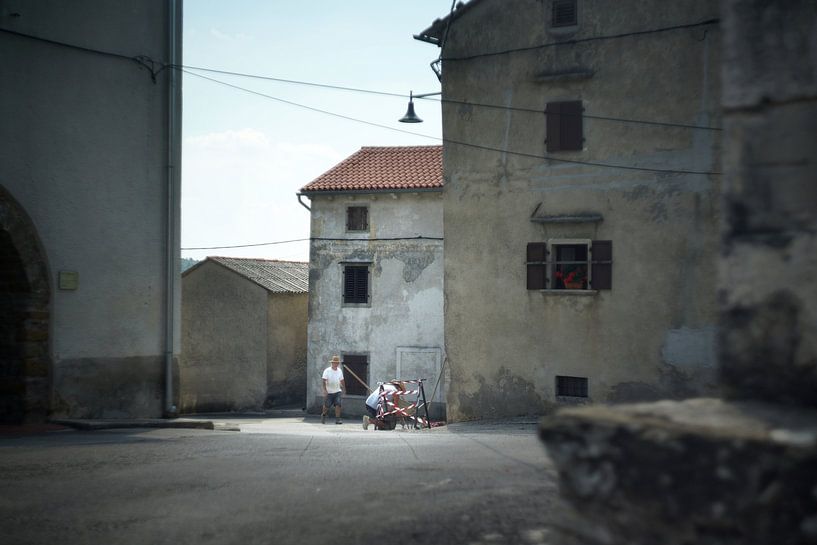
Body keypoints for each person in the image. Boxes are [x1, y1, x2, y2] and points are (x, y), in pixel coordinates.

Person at [321, 355, 346, 424]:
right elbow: (324, 380)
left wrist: (344, 389)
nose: (336, 364)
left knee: (338, 404)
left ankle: (337, 419)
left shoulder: (339, 371)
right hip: (329, 392)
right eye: (335, 362)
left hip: (337, 391)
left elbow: (342, 380)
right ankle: (323, 415)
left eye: (337, 363)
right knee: (327, 405)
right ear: (332, 363)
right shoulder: (327, 371)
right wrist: (325, 390)